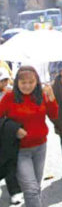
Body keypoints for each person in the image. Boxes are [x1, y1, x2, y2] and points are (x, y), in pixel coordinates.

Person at [0, 66, 58, 207]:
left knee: (36, 187)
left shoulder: (42, 95)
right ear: (16, 82)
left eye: (31, 82)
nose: (27, 86)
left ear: (37, 82)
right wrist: (14, 129)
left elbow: (54, 116)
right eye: (23, 82)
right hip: (19, 150)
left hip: (40, 147)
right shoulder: (9, 97)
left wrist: (51, 97)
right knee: (31, 189)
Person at [0, 67, 22, 205]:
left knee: (10, 163)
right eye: (2, 81)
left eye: (5, 80)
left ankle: (14, 192)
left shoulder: (11, 92)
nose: (4, 83)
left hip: (8, 132)